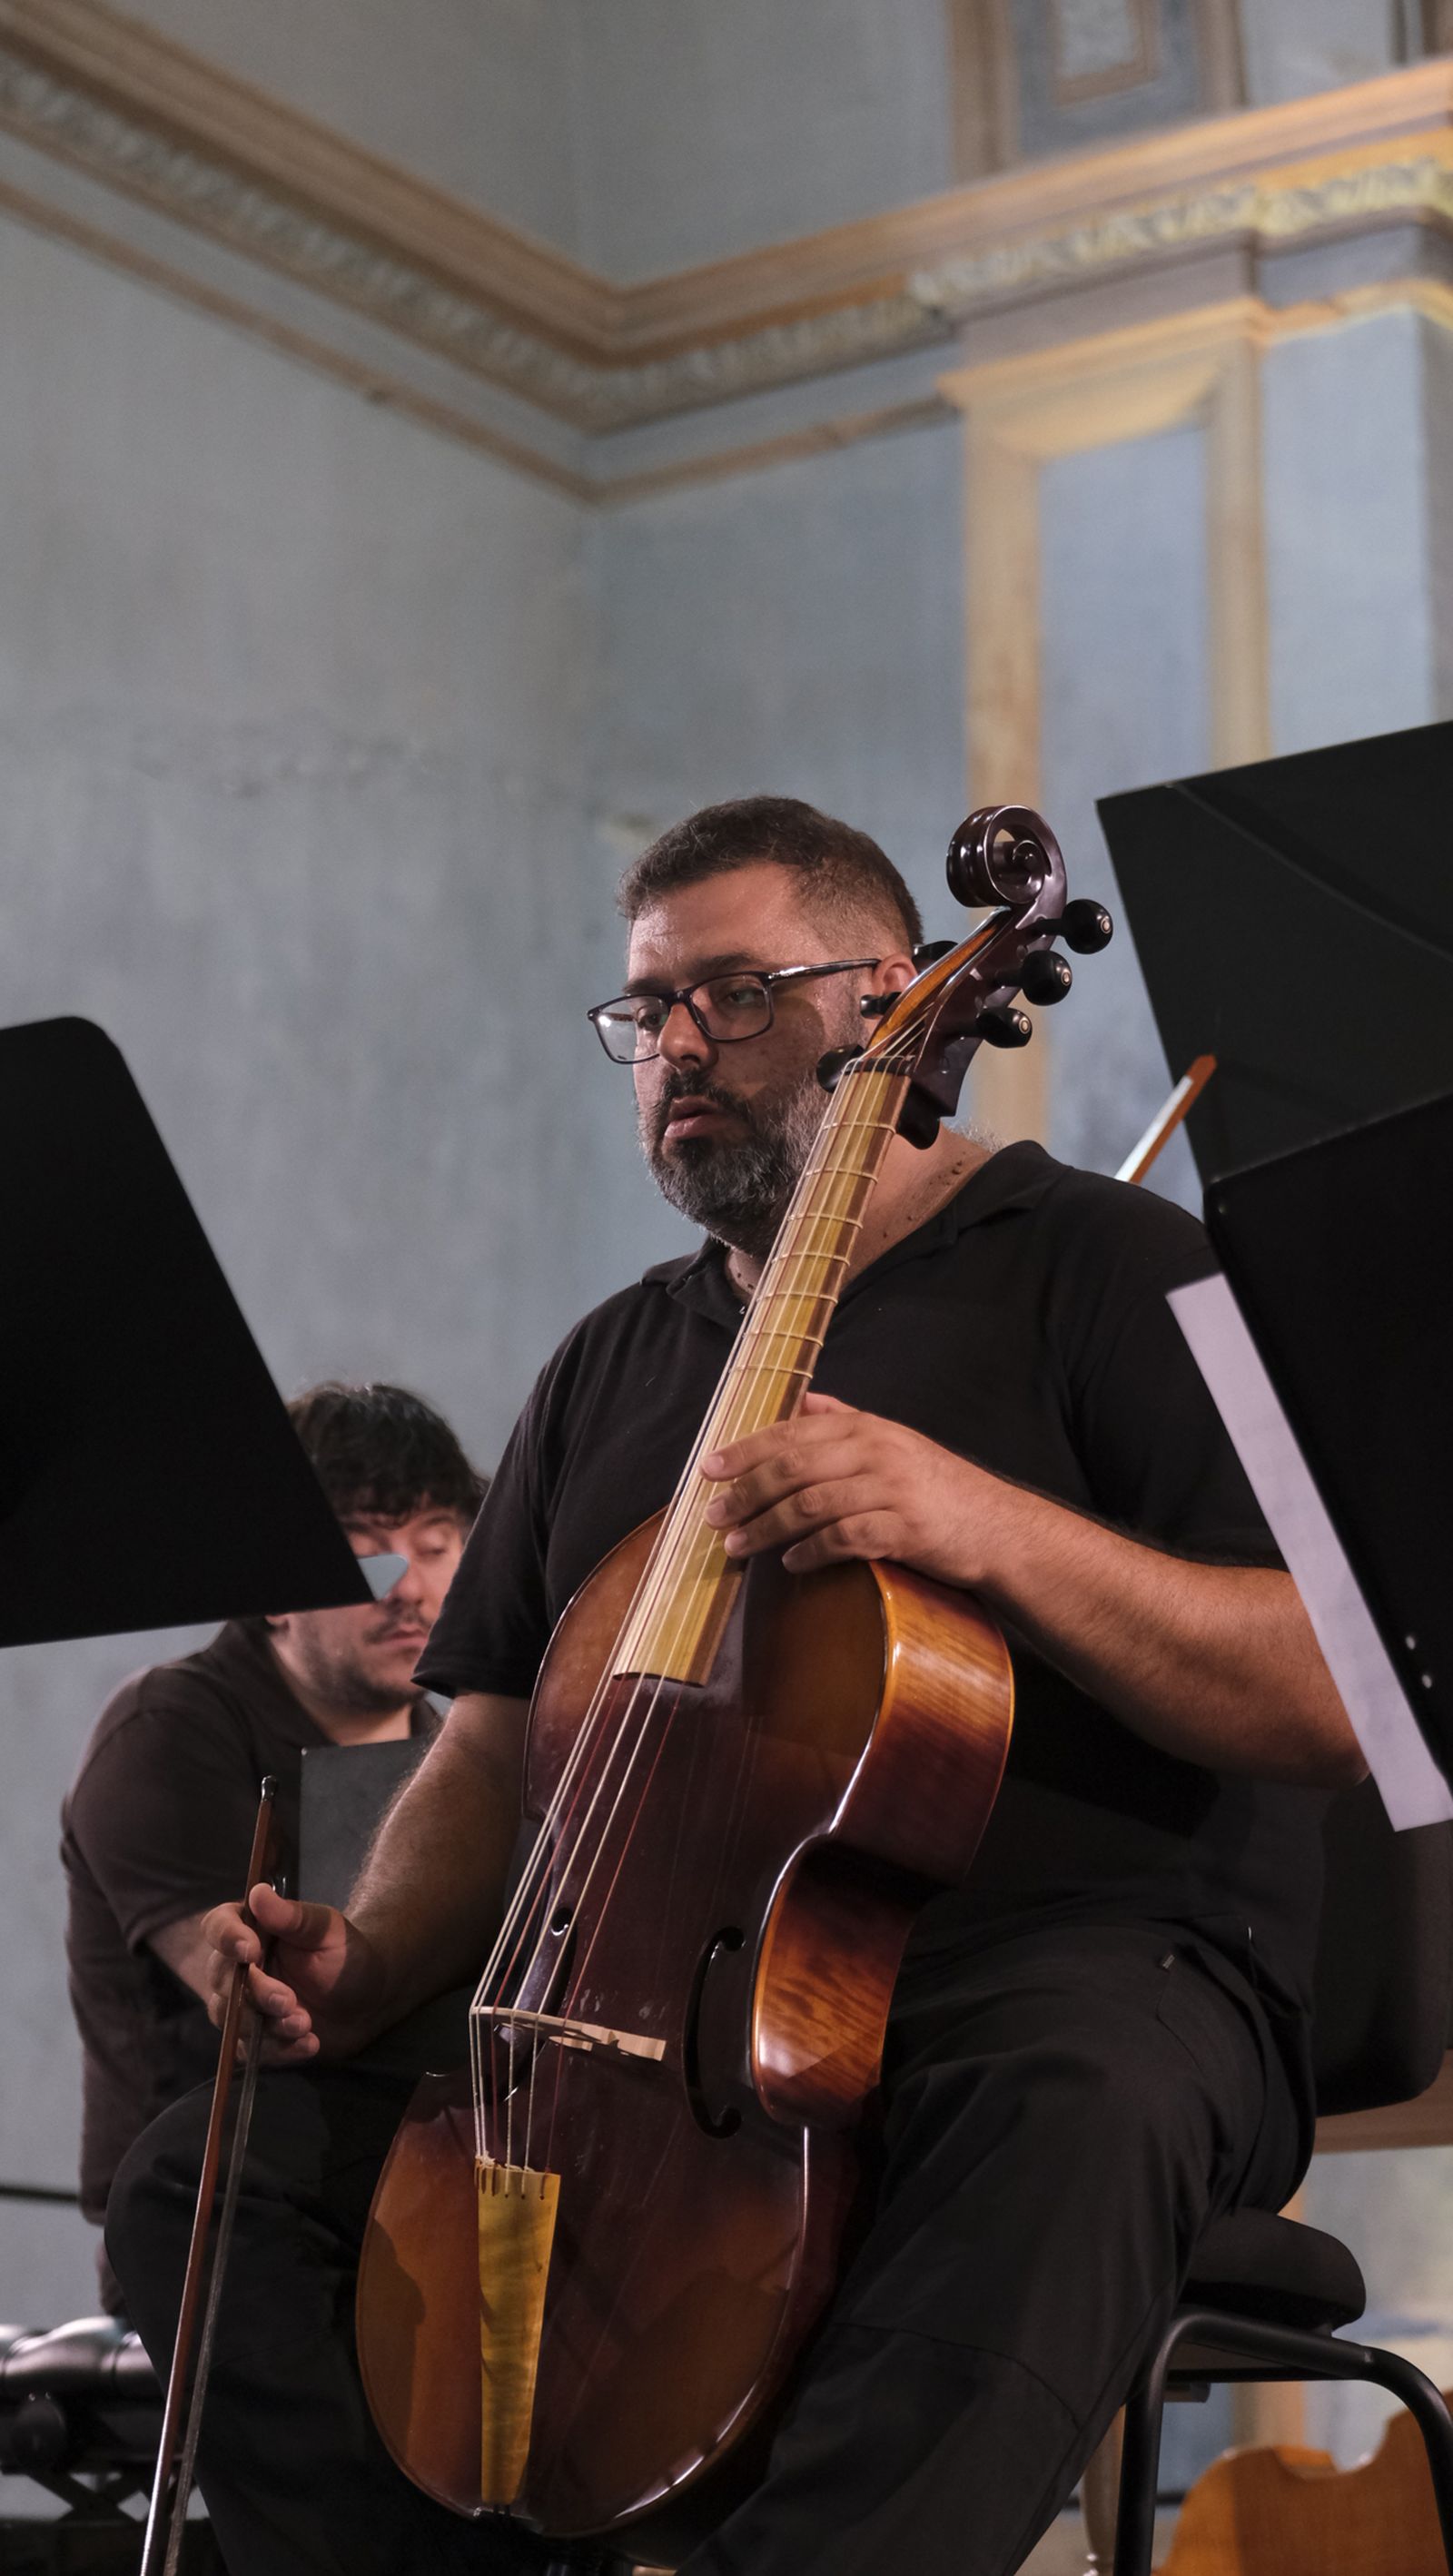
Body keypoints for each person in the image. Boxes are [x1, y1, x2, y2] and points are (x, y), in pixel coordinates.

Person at [108, 796, 1363, 2576]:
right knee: (205, 2176)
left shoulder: (1125, 1268)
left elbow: (1327, 1686)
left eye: (737, 992)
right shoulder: (612, 1359)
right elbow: (491, 1741)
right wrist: (370, 1953)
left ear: (889, 997)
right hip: (658, 2000)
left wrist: (987, 1523)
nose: (679, 1044)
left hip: (1060, 1971)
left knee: (1067, 2098)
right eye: (647, 1009)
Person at [63, 1379, 484, 2309]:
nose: (409, 1587)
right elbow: (266, 2015)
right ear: (276, 1585)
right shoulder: (170, 1729)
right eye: (364, 1553)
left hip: (427, 2210)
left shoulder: (470, 1760)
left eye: (435, 1545)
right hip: (222, 2238)